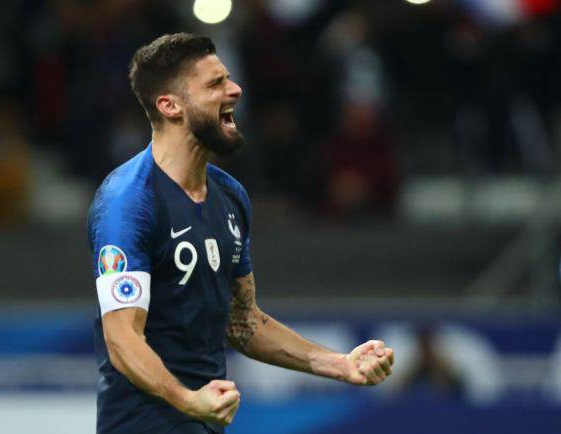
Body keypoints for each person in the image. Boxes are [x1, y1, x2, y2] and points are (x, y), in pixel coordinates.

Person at [87, 33, 395, 434]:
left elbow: (242, 321)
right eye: (215, 84)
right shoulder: (128, 201)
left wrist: (340, 364)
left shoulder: (229, 195)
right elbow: (122, 338)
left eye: (228, 79)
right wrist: (187, 399)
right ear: (170, 105)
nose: (235, 89)